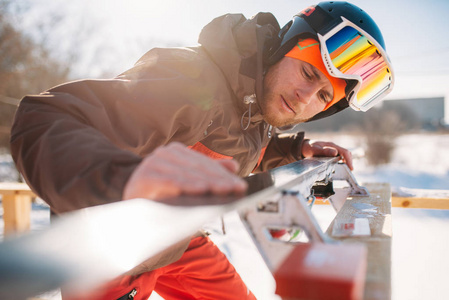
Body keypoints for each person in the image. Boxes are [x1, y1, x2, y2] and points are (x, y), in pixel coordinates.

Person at [10, 1, 394, 299]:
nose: (306, 97)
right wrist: (123, 178)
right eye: (309, 73)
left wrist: (297, 149)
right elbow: (44, 117)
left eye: (323, 95)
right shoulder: (191, 80)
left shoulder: (257, 106)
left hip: (178, 241)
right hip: (110, 252)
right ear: (285, 46)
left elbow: (240, 147)